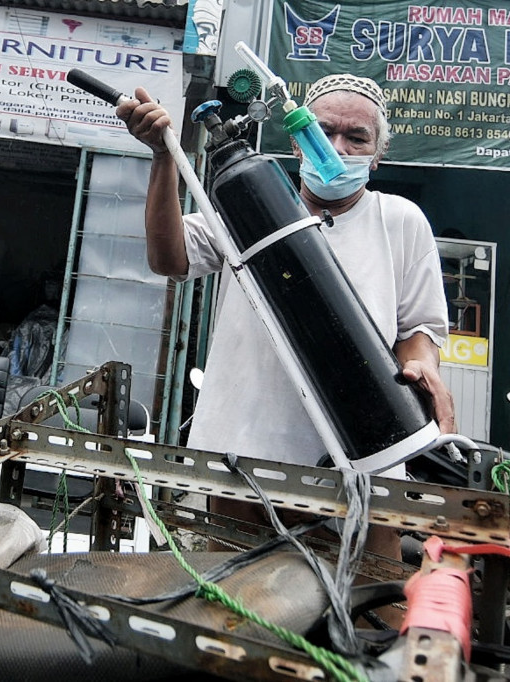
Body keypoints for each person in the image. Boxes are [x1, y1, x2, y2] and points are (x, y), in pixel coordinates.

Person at [116, 74, 455, 617]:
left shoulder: (400, 221)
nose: (336, 148)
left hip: (366, 464)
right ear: (296, 140)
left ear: (378, 155)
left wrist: (422, 368)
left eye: (356, 138)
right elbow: (168, 258)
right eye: (322, 131)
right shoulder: (250, 204)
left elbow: (420, 329)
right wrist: (163, 157)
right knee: (238, 618)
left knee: (375, 617)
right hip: (245, 461)